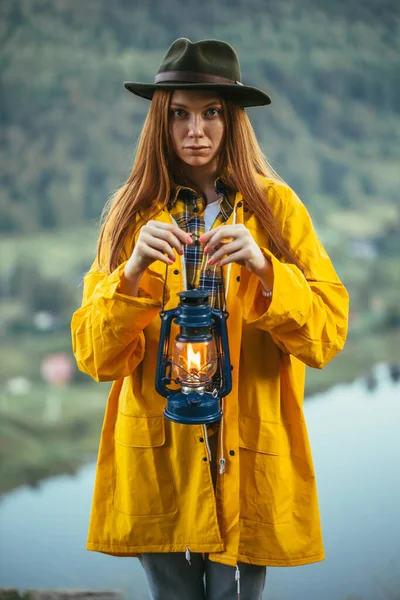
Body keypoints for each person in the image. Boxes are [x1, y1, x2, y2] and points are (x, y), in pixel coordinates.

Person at [71, 38, 349, 600]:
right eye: (179, 114)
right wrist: (129, 274)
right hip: (157, 459)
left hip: (244, 457)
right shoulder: (130, 214)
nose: (195, 130)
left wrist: (267, 269)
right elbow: (95, 358)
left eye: (211, 113)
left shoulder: (277, 212)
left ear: (233, 120)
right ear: (160, 121)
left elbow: (328, 335)